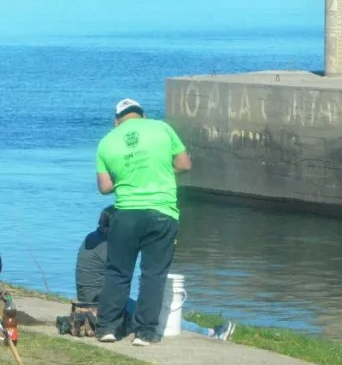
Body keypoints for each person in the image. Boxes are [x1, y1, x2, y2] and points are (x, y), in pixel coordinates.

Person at [94, 98, 191, 346]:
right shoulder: (162, 128)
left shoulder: (106, 142)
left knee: (117, 271)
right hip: (163, 212)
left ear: (117, 121)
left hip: (126, 214)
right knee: (153, 274)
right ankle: (145, 332)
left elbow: (105, 187)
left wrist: (127, 177)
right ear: (143, 115)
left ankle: (107, 328)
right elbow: (184, 164)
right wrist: (159, 171)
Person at [75, 206, 235, 340]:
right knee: (157, 315)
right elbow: (121, 272)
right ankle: (210, 333)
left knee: (148, 309)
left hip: (88, 295)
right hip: (98, 299)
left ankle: (205, 330)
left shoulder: (92, 238)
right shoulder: (107, 245)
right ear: (111, 226)